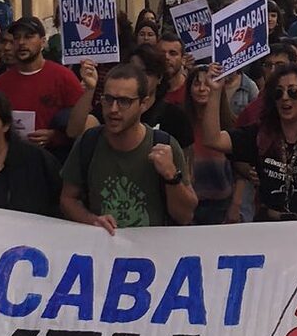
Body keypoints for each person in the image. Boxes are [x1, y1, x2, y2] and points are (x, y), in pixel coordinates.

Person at [200, 62, 297, 222]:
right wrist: (215, 91)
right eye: (278, 93)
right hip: (269, 227)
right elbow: (213, 139)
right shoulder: (260, 134)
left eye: (293, 92)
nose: (285, 98)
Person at [60, 63, 196, 230]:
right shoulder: (88, 143)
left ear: (143, 104)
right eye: (108, 99)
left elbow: (185, 216)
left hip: (152, 252)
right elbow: (68, 199)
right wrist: (92, 221)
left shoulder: (164, 145)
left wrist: (172, 176)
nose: (113, 109)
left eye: (124, 101)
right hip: (102, 251)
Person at [0, 16, 84, 155]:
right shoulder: (0, 83)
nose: (22, 42)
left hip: (54, 159)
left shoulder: (64, 78)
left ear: (43, 42)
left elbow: (82, 123)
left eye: (29, 37)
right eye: (17, 37)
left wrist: (54, 136)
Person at [184, 65, 237, 224]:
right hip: (190, 204)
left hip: (222, 205)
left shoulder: (231, 124)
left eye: (208, 84)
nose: (202, 89)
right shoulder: (180, 123)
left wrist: (236, 204)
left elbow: (242, 171)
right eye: (196, 84)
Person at [159, 35, 190, 106]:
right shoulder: (148, 89)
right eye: (161, 53)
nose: (166, 57)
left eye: (172, 53)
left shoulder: (192, 90)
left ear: (183, 60)